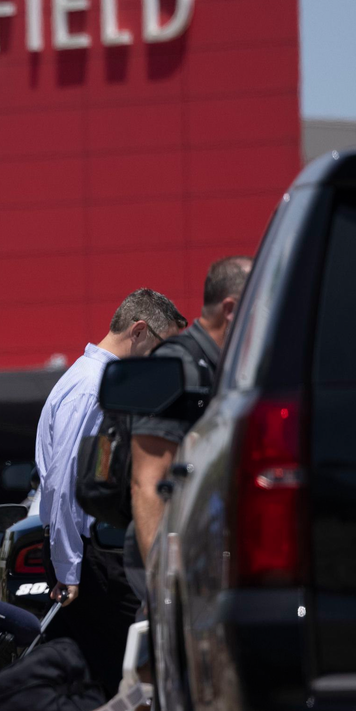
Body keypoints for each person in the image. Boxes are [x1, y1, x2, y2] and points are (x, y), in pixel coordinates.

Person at [32, 287, 184, 711]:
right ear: (142, 329)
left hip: (88, 564)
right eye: (164, 348)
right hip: (96, 565)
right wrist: (69, 568)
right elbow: (62, 484)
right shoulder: (94, 385)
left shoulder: (83, 378)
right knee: (137, 696)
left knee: (92, 705)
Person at [126, 257, 249, 600]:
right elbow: (148, 482)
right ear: (231, 309)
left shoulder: (226, 369)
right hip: (174, 577)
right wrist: (164, 585)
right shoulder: (175, 366)